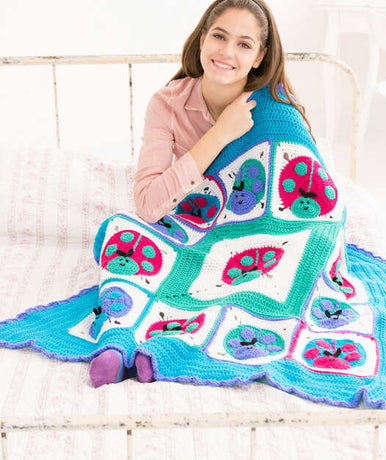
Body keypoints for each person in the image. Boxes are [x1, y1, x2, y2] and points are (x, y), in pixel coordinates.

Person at [89, 0, 314, 388]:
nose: (227, 52)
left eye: (244, 44)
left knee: (289, 267)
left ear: (260, 56)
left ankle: (166, 351)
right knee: (121, 236)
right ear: (202, 39)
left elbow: (310, 199)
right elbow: (148, 205)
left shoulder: (278, 112)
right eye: (220, 37)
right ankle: (118, 338)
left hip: (256, 240)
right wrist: (220, 134)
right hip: (190, 232)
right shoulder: (167, 104)